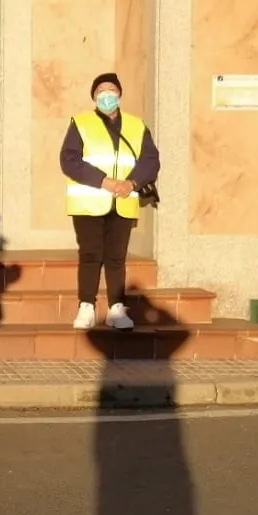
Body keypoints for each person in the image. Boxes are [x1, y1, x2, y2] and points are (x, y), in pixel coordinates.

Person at [59, 73, 160, 331]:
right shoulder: (80, 123)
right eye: (101, 91)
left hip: (123, 201)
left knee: (116, 257)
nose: (107, 95)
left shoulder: (137, 126)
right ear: (94, 97)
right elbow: (69, 160)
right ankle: (86, 306)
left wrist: (131, 183)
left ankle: (117, 307)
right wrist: (104, 181)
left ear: (120, 95)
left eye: (112, 90)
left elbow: (150, 160)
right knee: (90, 255)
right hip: (90, 201)